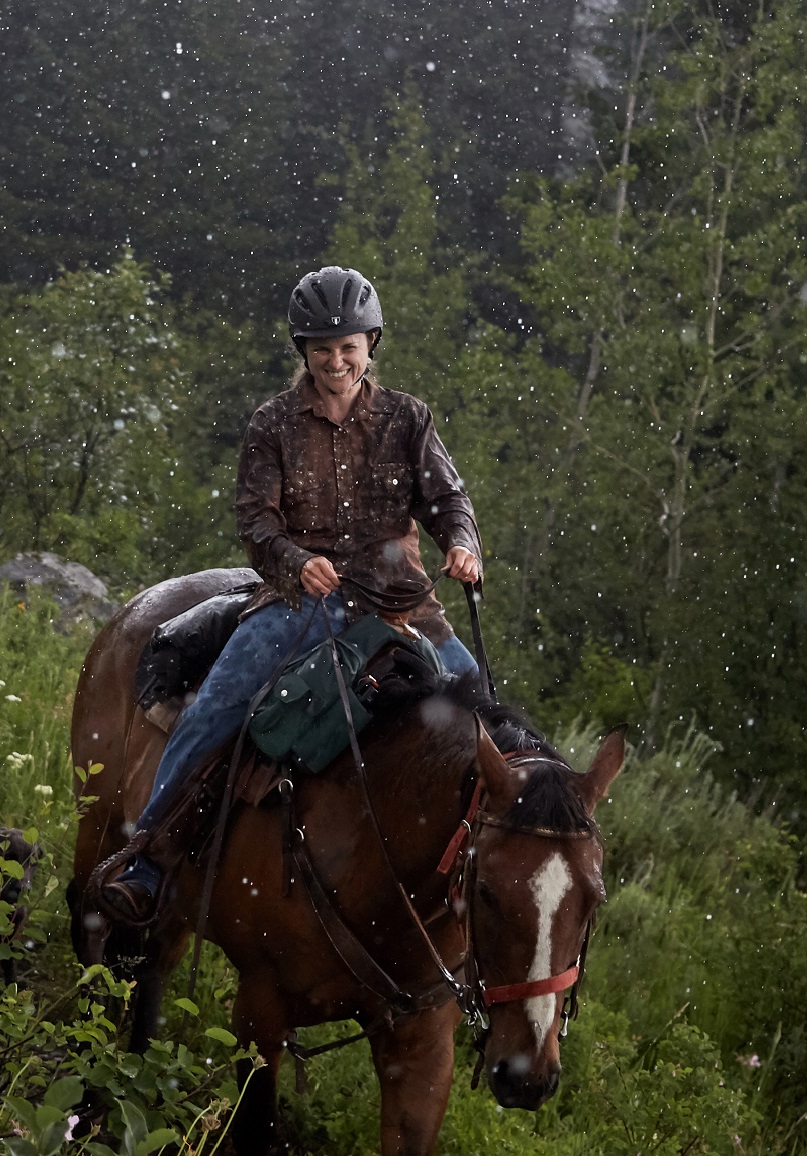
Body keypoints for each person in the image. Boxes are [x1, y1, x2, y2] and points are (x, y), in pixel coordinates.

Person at [96, 266, 485, 925]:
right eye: (323, 349)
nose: (338, 361)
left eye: (349, 346)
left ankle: (487, 880)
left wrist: (463, 543)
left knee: (487, 719)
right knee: (213, 711)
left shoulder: (407, 419)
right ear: (304, 352)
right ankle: (147, 863)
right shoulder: (273, 424)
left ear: (372, 343)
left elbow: (449, 499)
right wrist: (295, 561)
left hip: (403, 606)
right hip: (299, 605)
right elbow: (256, 522)